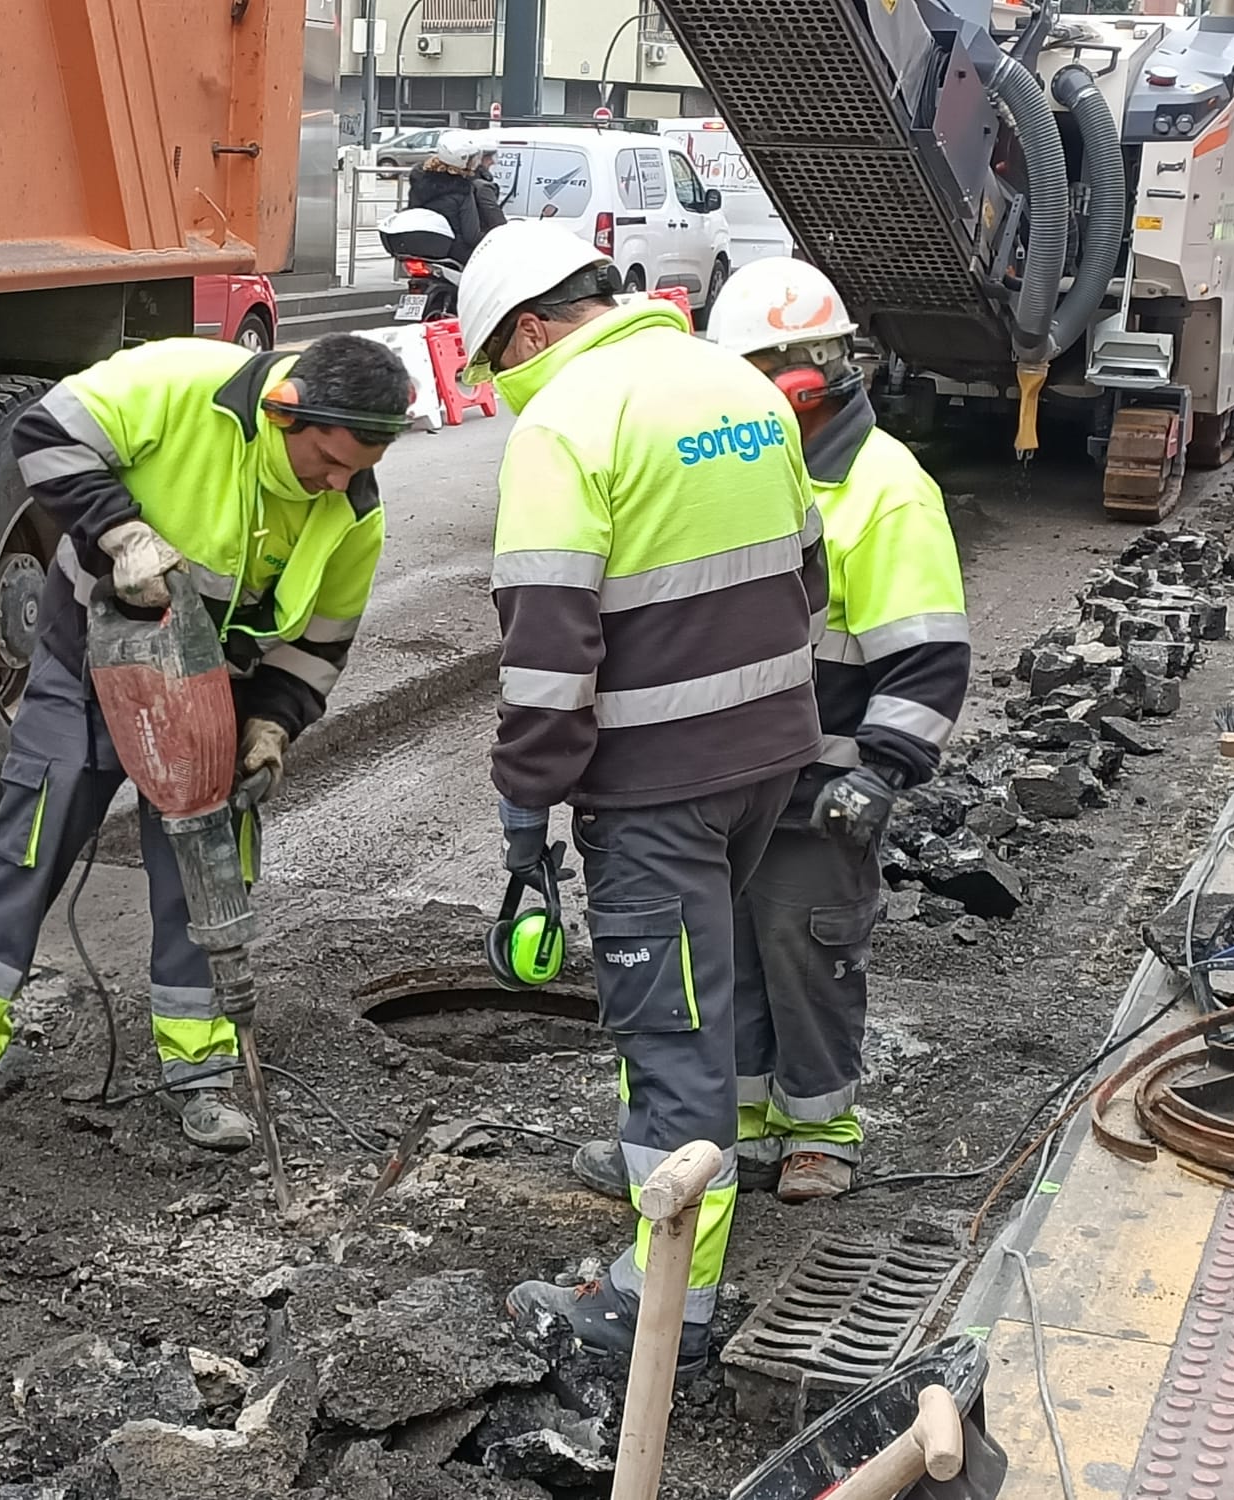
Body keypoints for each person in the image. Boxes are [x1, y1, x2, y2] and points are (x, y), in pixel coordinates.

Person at [460, 221, 828, 1372]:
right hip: (765, 760)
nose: (499, 392)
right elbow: (807, 576)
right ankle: (676, 1163)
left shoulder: (567, 422)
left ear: (525, 332)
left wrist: (528, 812)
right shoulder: (735, 384)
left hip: (655, 792)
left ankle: (664, 1300)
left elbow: (544, 655)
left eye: (491, 368)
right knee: (689, 991)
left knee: (664, 1026)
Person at [0, 333, 414, 1159]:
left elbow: (320, 642)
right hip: (94, 669)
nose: (335, 482)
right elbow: (42, 433)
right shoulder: (181, 383)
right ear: (286, 411)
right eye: (325, 460)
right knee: (26, 859)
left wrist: (273, 723)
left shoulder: (351, 509)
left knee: (204, 883)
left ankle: (202, 1075)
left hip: (219, 699)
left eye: (355, 468)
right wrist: (118, 532)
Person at [572, 259, 969, 1205]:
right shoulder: (753, 464)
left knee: (810, 955)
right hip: (737, 780)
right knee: (728, 965)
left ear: (797, 381)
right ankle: (736, 1130)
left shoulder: (886, 489)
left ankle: (820, 1127)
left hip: (823, 787)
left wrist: (879, 773)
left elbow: (928, 658)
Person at [406, 130, 492, 263]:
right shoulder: (462, 190)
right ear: (462, 160)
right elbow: (472, 236)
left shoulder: (420, 180)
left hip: (423, 245)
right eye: (472, 158)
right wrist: (493, 238)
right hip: (455, 251)